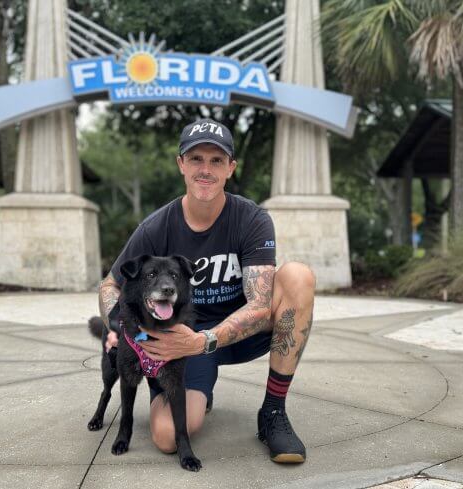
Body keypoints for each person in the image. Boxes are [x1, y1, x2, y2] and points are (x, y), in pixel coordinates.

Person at [98, 118, 315, 463]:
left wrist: (204, 340)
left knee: (298, 276)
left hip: (234, 334)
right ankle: (199, 391)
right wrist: (117, 326)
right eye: (196, 158)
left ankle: (273, 412)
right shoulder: (156, 227)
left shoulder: (252, 219)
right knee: (168, 437)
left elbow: (260, 305)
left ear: (231, 167)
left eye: (216, 160)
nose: (206, 169)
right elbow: (111, 283)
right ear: (181, 164)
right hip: (177, 343)